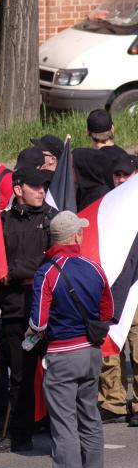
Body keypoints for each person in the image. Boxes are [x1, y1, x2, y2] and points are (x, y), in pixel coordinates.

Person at [30, 211, 113, 468]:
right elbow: (107, 312)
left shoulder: (47, 271)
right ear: (75, 236)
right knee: (90, 419)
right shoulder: (94, 267)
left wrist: (33, 335)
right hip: (91, 351)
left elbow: (38, 323)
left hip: (63, 354)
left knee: (64, 424)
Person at [0, 167, 56, 454]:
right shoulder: (2, 222)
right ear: (18, 189)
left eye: (44, 187)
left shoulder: (52, 219)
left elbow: (50, 261)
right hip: (15, 311)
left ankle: (61, 432)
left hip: (49, 312)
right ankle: (19, 434)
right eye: (35, 186)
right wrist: (15, 273)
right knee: (20, 375)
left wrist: (15, 271)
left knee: (56, 374)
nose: (41, 191)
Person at [98, 156, 137, 425]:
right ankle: (113, 402)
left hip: (136, 288)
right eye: (117, 176)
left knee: (137, 348)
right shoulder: (107, 206)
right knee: (109, 348)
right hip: (112, 287)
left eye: (127, 175)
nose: (121, 180)